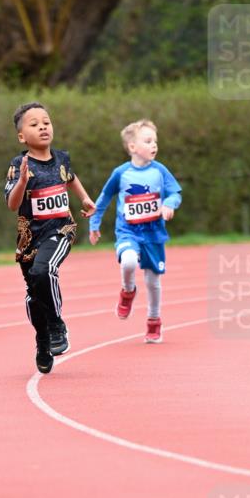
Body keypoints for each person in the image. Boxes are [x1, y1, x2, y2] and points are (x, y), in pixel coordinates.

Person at [5, 102, 95, 374]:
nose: (43, 127)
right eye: (34, 124)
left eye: (46, 122)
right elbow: (11, 204)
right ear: (22, 136)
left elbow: (71, 178)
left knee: (44, 270)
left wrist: (85, 198)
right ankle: (43, 341)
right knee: (34, 293)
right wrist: (22, 182)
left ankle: (56, 324)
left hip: (61, 229)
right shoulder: (18, 165)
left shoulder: (61, 158)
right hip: (30, 238)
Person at [88, 119, 181, 343]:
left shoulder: (160, 171)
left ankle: (153, 320)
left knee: (152, 281)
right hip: (128, 230)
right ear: (132, 147)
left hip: (153, 233)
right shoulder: (121, 173)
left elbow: (175, 192)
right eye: (148, 141)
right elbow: (104, 198)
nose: (154, 145)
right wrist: (94, 224)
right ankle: (128, 291)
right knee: (128, 262)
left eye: (155, 141)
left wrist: (169, 204)